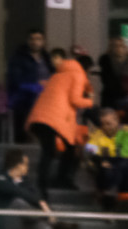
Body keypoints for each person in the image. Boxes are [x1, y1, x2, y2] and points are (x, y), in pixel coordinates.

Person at [27, 48, 93, 189]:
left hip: (39, 117)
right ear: (87, 69)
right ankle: (56, 182)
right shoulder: (78, 75)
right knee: (69, 149)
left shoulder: (58, 74)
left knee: (50, 151)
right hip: (54, 119)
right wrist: (90, 101)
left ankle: (50, 184)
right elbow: (75, 100)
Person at [0, 147, 72, 229]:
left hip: (24, 226)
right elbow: (17, 191)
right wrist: (41, 204)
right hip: (4, 225)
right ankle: (54, 222)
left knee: (43, 227)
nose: (28, 167)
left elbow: (39, 198)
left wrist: (45, 206)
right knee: (18, 202)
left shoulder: (27, 182)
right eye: (26, 164)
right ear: (18, 165)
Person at [84, 107, 128, 210]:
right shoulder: (96, 136)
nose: (105, 127)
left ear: (117, 120)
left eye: (108, 123)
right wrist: (102, 161)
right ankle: (110, 203)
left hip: (126, 173)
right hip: (107, 173)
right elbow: (90, 153)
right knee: (109, 169)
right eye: (103, 124)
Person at [6, 29, 50, 138]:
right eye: (32, 39)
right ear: (27, 41)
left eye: (38, 39)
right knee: (24, 134)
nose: (35, 42)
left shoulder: (47, 58)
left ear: (43, 41)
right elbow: (15, 81)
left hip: (45, 102)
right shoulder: (18, 58)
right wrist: (36, 86)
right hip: (24, 102)